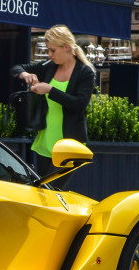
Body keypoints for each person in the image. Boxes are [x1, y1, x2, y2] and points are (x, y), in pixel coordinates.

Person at [11, 24, 96, 176]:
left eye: (53, 50)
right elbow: (16, 68)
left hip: (69, 144)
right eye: (48, 50)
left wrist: (50, 90)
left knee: (54, 189)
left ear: (67, 47)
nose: (50, 54)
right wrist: (25, 75)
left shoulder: (85, 72)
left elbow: (79, 104)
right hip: (45, 141)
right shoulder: (48, 67)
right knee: (45, 191)